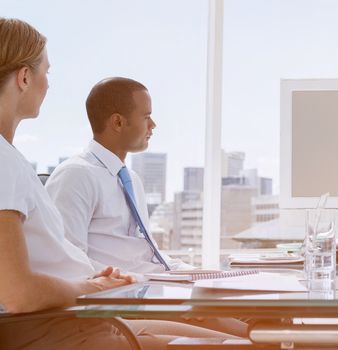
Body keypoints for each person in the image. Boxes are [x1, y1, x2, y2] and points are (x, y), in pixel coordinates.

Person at [0, 17, 235, 349]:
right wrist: (92, 287)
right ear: (25, 77)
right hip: (61, 326)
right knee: (245, 341)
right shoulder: (7, 163)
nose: (48, 85)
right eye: (46, 73)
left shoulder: (12, 160)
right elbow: (18, 293)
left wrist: (100, 285)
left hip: (85, 314)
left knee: (247, 335)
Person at [45, 76, 249, 336]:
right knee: (246, 338)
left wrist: (205, 276)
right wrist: (147, 285)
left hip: (158, 292)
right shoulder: (76, 175)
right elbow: (69, 263)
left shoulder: (130, 179)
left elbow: (149, 256)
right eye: (146, 117)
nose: (153, 125)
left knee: (264, 323)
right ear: (118, 122)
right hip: (128, 301)